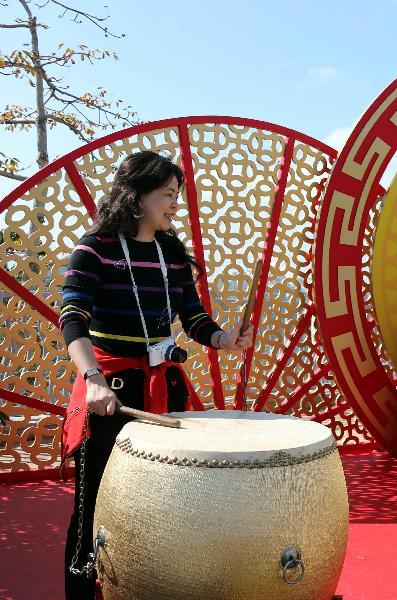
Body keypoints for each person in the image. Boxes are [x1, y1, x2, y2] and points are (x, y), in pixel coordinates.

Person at [59, 150, 252, 599]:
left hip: (162, 385)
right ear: (138, 196)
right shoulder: (94, 249)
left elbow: (193, 317)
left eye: (177, 196)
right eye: (168, 195)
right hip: (111, 388)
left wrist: (226, 339)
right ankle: (82, 591)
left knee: (163, 496)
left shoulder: (170, 251)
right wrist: (92, 380)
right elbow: (72, 319)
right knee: (95, 503)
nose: (174, 205)